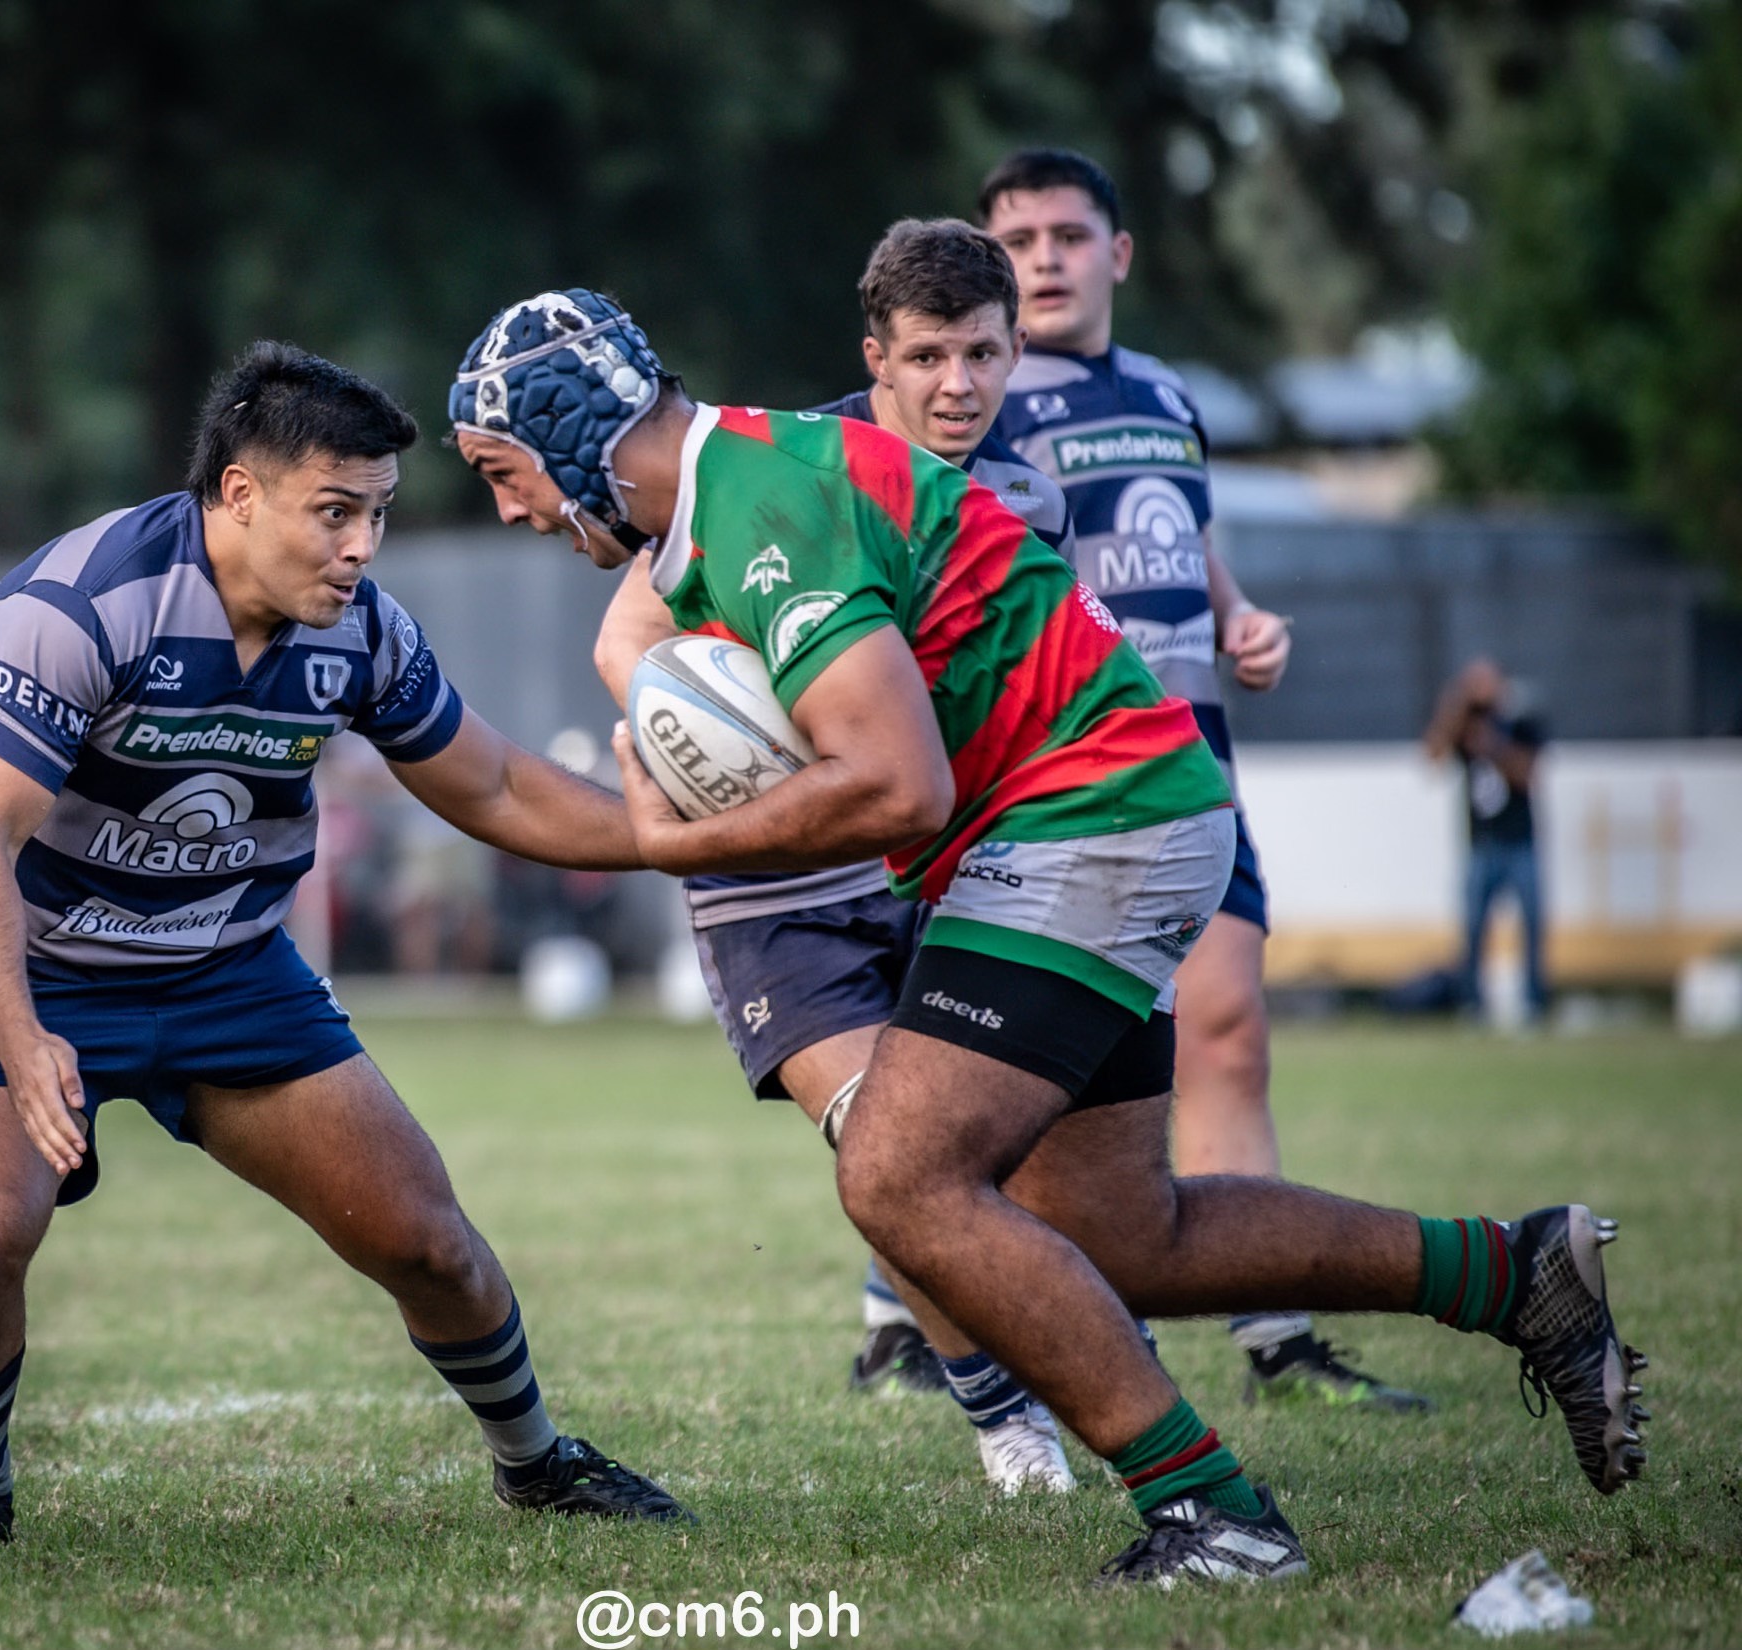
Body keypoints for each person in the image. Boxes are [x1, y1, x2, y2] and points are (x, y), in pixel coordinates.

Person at [450, 288, 1646, 1583]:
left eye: (505, 475)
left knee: (896, 1175)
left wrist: (684, 843)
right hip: (1114, 809)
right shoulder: (736, 485)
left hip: (1089, 819)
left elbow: (898, 785)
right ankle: (1515, 1275)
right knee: (1120, 1235)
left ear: (572, 431)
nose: (510, 511)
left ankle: (1216, 1513)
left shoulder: (763, 508)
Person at [0, 340, 688, 1550]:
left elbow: (497, 788)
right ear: (239, 494)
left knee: (427, 1241)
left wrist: (695, 839)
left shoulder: (360, 631)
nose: (362, 547)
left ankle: (536, 1466)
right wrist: (21, 1035)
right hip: (14, 965)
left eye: (378, 514)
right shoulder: (76, 607)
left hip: (224, 968)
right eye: (335, 513)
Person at [595, 219, 1078, 1493]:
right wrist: (725, 735)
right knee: (884, 1147)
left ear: (1015, 352)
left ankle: (1004, 1343)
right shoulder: (783, 464)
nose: (956, 386)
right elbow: (625, 638)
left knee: (976, 1161)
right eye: (925, 357)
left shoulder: (1030, 499)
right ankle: (1006, 1423)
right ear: (875, 358)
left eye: (982, 355)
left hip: (938, 863)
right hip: (777, 886)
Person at [976, 146, 1425, 1411]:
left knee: (1226, 1034)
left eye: (1069, 235)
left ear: (1116, 253)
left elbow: (1189, 534)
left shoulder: (1166, 393)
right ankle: (935, 1316)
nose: (1046, 260)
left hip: (1193, 767)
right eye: (1018, 241)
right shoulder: (976, 396)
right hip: (1055, 778)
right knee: (1031, 1071)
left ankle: (1276, 1339)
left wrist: (1239, 621)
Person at [1423, 657, 1548, 1022]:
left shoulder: (1520, 721)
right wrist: (1453, 706)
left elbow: (1529, 774)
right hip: (1480, 844)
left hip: (1520, 841)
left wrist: (1494, 746)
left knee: (1531, 923)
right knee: (1474, 927)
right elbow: (1432, 756)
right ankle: (1472, 1002)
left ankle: (1533, 1002)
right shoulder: (1466, 723)